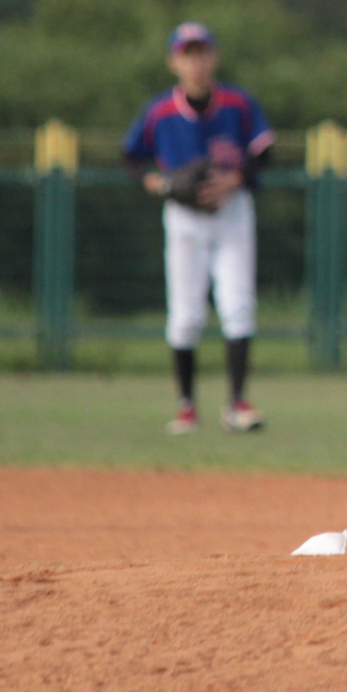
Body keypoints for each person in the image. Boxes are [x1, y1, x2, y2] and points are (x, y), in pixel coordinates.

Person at [122, 22, 275, 435]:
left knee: (237, 305)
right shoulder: (161, 111)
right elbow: (130, 155)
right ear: (173, 62)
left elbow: (265, 150)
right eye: (187, 54)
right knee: (185, 315)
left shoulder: (238, 104)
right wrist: (153, 182)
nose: (196, 62)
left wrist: (236, 178)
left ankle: (237, 404)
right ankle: (186, 406)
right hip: (184, 218)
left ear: (214, 57)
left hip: (232, 212)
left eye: (202, 53)